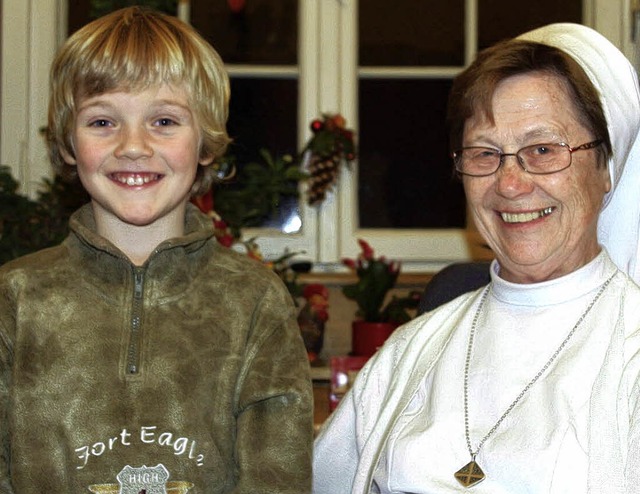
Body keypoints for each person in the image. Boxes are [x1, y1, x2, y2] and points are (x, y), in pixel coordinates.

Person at [313, 23, 640, 493]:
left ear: (606, 169)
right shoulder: (411, 350)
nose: (510, 183)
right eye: (485, 154)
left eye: (543, 150)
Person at [0, 7, 313, 493]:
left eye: (164, 120)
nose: (133, 146)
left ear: (205, 143)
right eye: (102, 121)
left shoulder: (255, 301)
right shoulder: (14, 298)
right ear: (67, 143)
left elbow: (278, 479)